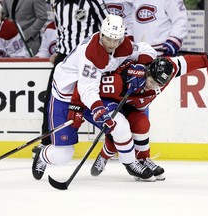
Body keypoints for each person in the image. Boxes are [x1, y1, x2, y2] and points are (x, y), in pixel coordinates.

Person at [32, 14, 158, 182]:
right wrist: (99, 109)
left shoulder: (123, 45)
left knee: (120, 125)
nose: (111, 44)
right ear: (101, 34)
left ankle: (131, 163)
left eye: (116, 40)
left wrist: (140, 66)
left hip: (93, 95)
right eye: (108, 39)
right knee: (63, 155)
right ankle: (43, 155)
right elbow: (86, 89)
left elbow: (146, 50)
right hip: (67, 97)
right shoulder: (91, 54)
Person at [87, 47, 208, 180]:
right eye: (152, 82)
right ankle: (104, 156)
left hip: (132, 108)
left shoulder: (167, 70)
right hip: (112, 103)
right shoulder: (122, 80)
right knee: (118, 132)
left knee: (142, 124)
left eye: (159, 84)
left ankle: (143, 160)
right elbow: (91, 88)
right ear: (148, 72)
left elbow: (186, 62)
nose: (154, 86)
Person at [33, 0, 110, 153]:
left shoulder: (93, 2)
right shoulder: (57, 3)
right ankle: (47, 141)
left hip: (89, 58)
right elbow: (62, 30)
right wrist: (59, 50)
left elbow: (107, 25)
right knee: (51, 99)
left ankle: (112, 141)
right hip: (65, 59)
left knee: (101, 99)